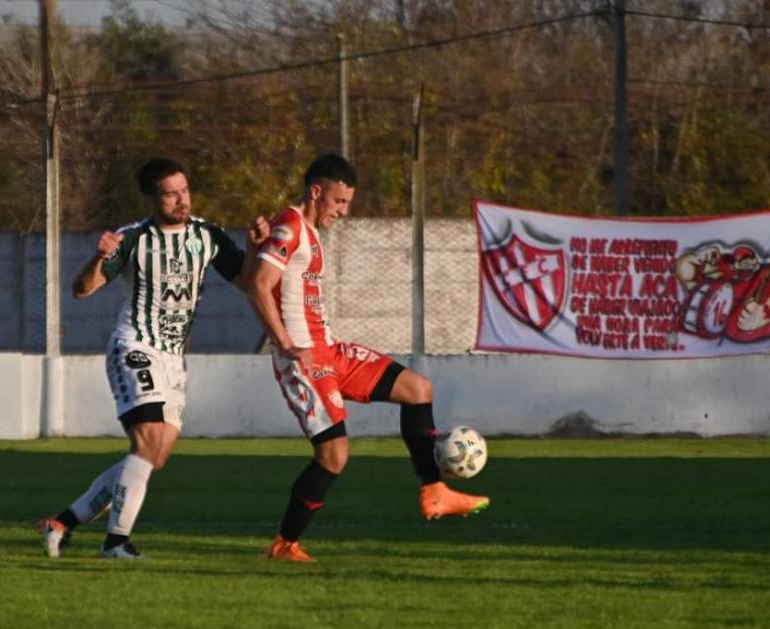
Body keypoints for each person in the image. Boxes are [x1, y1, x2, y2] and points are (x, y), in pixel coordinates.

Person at [248, 153, 490, 563]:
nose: (343, 212)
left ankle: (435, 492)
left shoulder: (303, 230)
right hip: (304, 357)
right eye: (339, 202)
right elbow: (258, 284)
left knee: (417, 388)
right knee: (334, 454)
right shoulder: (290, 226)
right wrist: (286, 344)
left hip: (330, 349)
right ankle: (285, 544)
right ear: (316, 191)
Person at [37, 157, 268, 559]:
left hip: (174, 360)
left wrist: (254, 248)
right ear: (151, 199)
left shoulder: (207, 236)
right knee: (147, 442)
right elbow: (81, 289)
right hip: (135, 347)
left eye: (185, 190)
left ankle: (61, 523)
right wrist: (98, 257)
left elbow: (248, 281)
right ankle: (116, 542)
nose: (182, 199)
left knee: (153, 456)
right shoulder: (132, 239)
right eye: (171, 193)